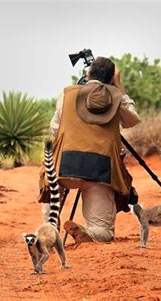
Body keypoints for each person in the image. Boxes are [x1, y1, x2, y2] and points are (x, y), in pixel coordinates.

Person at [42, 56, 140, 243]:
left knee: (49, 179)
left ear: (88, 74)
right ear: (112, 78)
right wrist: (118, 88)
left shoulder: (67, 94)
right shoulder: (116, 96)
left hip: (65, 166)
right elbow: (131, 120)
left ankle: (49, 230)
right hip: (101, 171)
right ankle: (91, 233)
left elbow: (54, 129)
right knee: (104, 230)